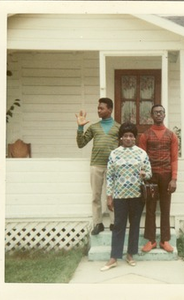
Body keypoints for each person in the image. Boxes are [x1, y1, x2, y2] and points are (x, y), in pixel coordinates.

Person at [100, 122, 152, 271]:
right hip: (119, 196)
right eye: (125, 136)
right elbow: (109, 177)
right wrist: (109, 196)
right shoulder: (114, 154)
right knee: (118, 226)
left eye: (131, 136)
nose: (128, 138)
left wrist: (145, 174)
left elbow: (149, 172)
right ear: (121, 138)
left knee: (134, 226)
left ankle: (130, 254)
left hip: (137, 196)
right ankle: (114, 257)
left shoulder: (141, 153)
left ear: (135, 138)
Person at [76, 98, 120, 235]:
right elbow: (81, 143)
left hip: (113, 167)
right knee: (96, 195)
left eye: (101, 108)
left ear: (110, 110)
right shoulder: (94, 127)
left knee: (113, 195)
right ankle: (98, 223)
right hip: (96, 165)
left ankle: (114, 223)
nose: (98, 110)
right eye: (98, 108)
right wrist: (80, 127)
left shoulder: (119, 127)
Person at [139, 104, 179, 253]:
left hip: (166, 175)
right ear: (151, 115)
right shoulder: (145, 135)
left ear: (165, 115)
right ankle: (151, 240)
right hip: (150, 176)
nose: (159, 114)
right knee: (150, 208)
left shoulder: (171, 135)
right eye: (156, 112)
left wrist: (174, 178)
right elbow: (141, 159)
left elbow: (174, 158)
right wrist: (143, 177)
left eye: (161, 112)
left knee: (165, 208)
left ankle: (164, 240)